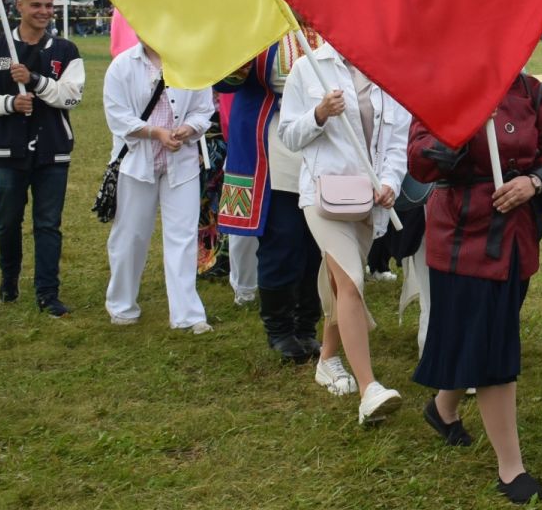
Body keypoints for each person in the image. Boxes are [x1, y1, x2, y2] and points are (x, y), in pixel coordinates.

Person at [410, 71, 542, 505]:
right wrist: (459, 131)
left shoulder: (530, 90)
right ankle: (511, 467)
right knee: (494, 346)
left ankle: (442, 410)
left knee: (483, 333)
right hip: (463, 238)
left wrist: (534, 182)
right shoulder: (443, 86)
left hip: (517, 238)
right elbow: (419, 159)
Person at [277, 37, 409, 423]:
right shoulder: (308, 67)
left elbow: (396, 143)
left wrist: (390, 183)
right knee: (352, 282)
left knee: (339, 286)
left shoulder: (388, 69)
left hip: (369, 202)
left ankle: (328, 358)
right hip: (324, 198)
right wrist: (319, 113)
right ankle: (370, 389)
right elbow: (289, 136)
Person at [0, 0, 84, 315]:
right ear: (18, 5)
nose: (44, 12)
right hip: (6, 148)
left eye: (49, 5)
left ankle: (48, 293)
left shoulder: (66, 51)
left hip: (53, 149)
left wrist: (36, 81)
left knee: (48, 224)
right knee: (7, 220)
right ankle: (9, 278)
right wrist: (8, 104)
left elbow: (71, 96)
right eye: (36, 5)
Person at [215, 37, 327, 365]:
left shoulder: (325, 23)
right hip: (273, 147)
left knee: (317, 243)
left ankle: (307, 325)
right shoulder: (260, 25)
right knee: (283, 238)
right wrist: (242, 57)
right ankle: (279, 328)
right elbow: (225, 80)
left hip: (323, 144)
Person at [101, 39, 217, 332]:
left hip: (182, 163)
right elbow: (117, 116)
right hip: (137, 163)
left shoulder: (191, 61)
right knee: (130, 236)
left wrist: (188, 129)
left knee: (183, 236)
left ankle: (187, 314)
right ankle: (122, 305)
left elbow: (204, 109)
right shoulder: (123, 66)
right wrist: (156, 133)